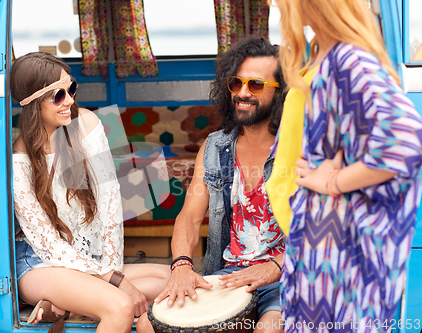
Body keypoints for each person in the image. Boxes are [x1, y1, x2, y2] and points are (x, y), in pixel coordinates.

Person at [266, 0, 422, 331]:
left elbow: (405, 141)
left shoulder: (346, 60)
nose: (270, 2)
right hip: (322, 257)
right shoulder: (325, 53)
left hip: (340, 263)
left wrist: (332, 182)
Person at [10, 52, 170, 333]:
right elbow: (46, 243)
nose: (70, 100)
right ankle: (78, 299)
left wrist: (113, 271)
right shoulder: (20, 154)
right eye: (58, 96)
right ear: (34, 104)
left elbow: (111, 204)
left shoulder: (86, 124)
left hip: (84, 256)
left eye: (70, 88)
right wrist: (115, 282)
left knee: (169, 279)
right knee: (120, 305)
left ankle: (66, 306)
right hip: (40, 263)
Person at [137, 36, 288, 333]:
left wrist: (277, 266)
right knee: (146, 325)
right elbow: (190, 216)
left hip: (284, 276)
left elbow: (322, 229)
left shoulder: (298, 147)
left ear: (281, 93)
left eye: (256, 85)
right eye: (236, 83)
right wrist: (181, 264)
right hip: (229, 275)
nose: (243, 93)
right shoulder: (215, 147)